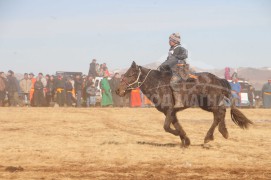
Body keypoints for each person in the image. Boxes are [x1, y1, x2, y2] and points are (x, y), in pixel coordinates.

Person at [159, 33, 188, 108]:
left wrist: (176, 57)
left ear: (175, 41)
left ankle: (179, 102)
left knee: (173, 82)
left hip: (180, 70)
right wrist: (161, 66)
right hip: (171, 70)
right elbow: (168, 60)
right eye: (169, 40)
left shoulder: (180, 48)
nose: (169, 41)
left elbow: (185, 55)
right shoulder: (171, 50)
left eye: (170, 40)